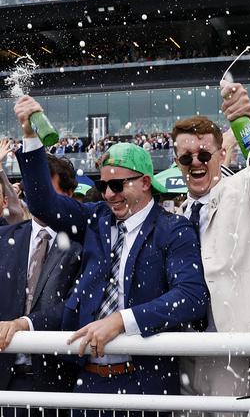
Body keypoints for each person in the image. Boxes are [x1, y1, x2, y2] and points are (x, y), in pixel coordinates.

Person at [13, 95, 209, 406]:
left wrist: (121, 321)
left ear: (145, 183)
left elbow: (191, 297)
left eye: (117, 186)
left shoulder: (174, 229)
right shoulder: (96, 218)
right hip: (87, 381)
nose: (108, 194)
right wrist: (29, 136)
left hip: (144, 384)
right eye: (102, 185)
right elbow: (41, 203)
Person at [173, 83, 250, 400]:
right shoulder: (179, 213)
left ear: (223, 154)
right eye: (187, 158)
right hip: (182, 349)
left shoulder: (245, 188)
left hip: (235, 351)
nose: (196, 163)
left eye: (204, 155)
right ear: (177, 162)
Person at [0, 154, 82, 408]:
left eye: (44, 191)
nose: (36, 200)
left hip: (57, 384)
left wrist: (25, 324)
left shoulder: (84, 243)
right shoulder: (4, 239)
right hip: (6, 382)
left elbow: (75, 305)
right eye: (32, 191)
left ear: (67, 195)